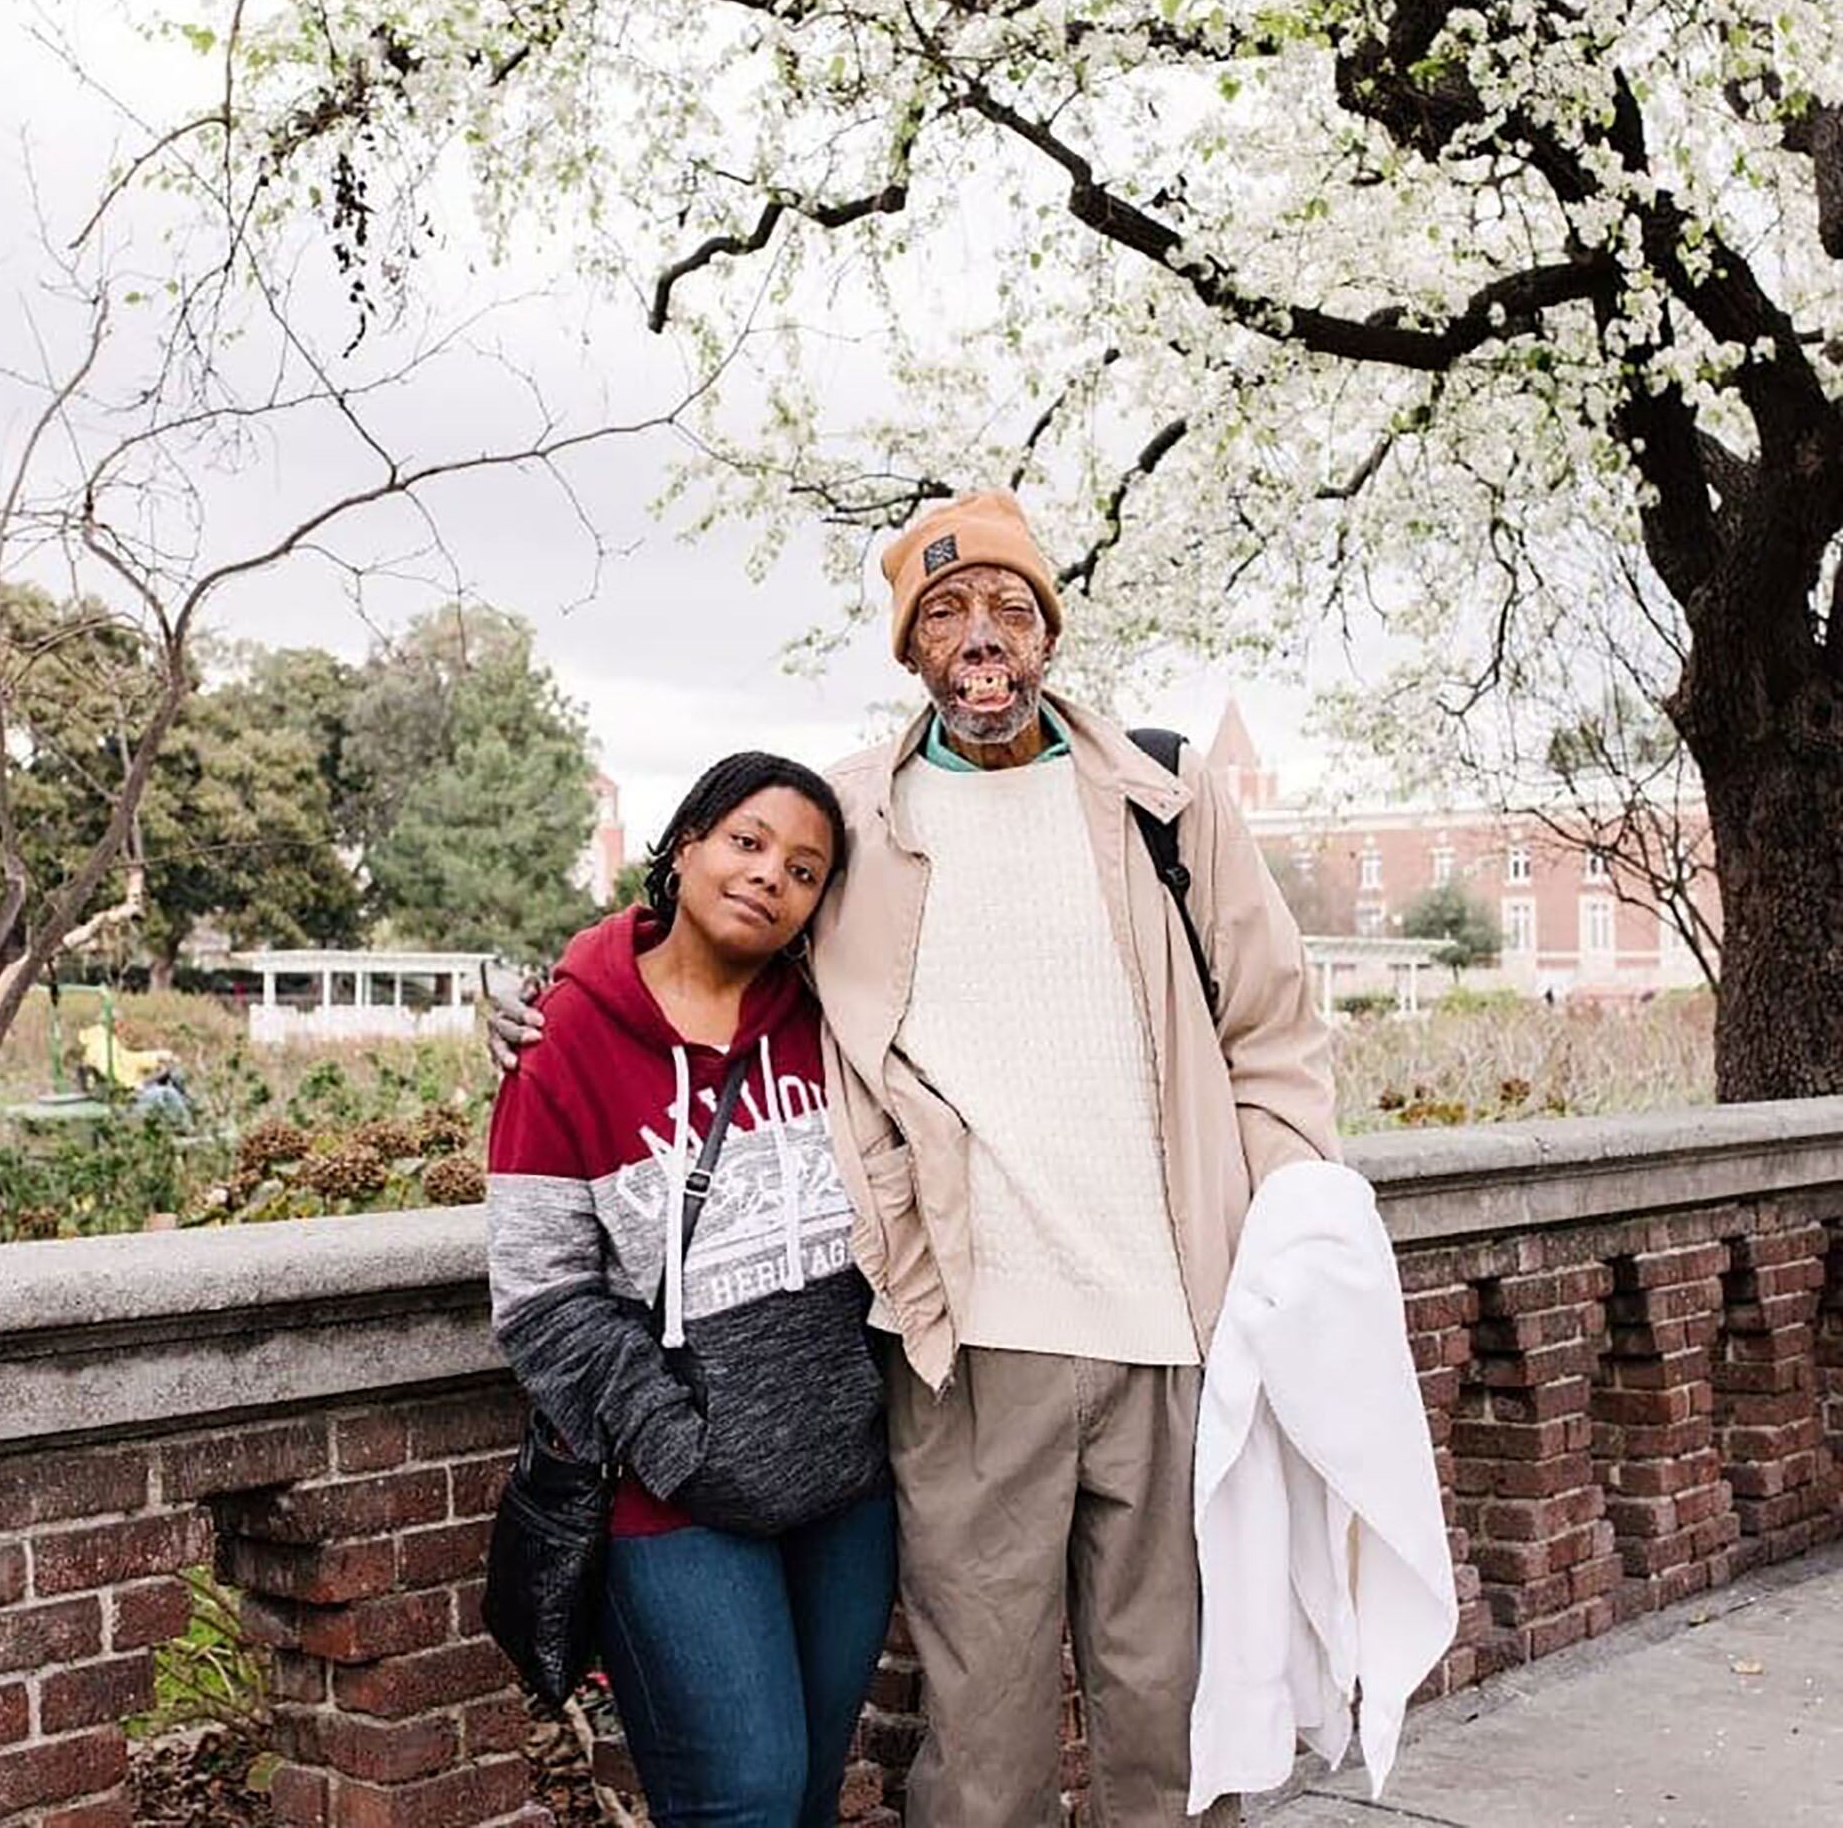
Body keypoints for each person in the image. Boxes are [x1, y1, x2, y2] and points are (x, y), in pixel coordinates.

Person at [493, 490, 1338, 1828]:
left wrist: (1285, 1258)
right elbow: (707, 932)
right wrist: (546, 999)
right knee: (982, 1761)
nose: (980, 634)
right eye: (944, 613)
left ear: (1048, 629)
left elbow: (1277, 1039)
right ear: (911, 652)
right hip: (966, 1355)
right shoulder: (850, 825)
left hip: (1178, 1337)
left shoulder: (1168, 802)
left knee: (1175, 1740)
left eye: (1008, 605)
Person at [486, 751, 896, 1828]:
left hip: (844, 1490)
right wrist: (683, 1448)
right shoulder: (565, 1040)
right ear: (682, 848)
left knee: (809, 1792)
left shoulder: (831, 1023)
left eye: (804, 870)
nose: (770, 877)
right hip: (672, 1500)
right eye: (748, 843)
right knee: (742, 1798)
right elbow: (539, 1296)